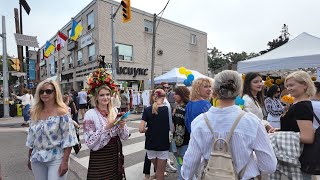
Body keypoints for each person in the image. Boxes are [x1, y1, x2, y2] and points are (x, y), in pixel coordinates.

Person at [181, 70, 277, 179]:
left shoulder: (199, 122)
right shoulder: (252, 121)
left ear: (214, 92)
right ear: (239, 91)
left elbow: (190, 164)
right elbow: (269, 166)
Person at [26, 80, 78, 180]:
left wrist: (65, 161)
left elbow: (69, 139)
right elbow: (31, 138)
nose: (44, 94)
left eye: (48, 91)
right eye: (41, 91)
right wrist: (29, 158)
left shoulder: (62, 112)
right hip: (37, 157)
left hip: (56, 158)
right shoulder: (34, 112)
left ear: (55, 93)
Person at [83, 68, 129, 179]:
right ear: (96, 97)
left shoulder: (114, 111)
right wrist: (107, 127)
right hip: (100, 156)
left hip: (115, 154)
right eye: (102, 95)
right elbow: (89, 142)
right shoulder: (90, 114)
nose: (105, 97)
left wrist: (122, 126)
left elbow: (124, 136)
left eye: (108, 94)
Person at [278, 71, 317, 179]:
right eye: (287, 86)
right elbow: (295, 128)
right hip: (293, 155)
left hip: (297, 157)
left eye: (292, 85)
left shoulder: (302, 106)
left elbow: (308, 137)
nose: (289, 88)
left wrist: (277, 136)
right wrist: (278, 131)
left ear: (304, 85)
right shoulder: (298, 104)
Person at [139, 89, 170, 180]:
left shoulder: (147, 110)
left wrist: (147, 129)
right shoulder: (167, 109)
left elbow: (141, 129)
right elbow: (172, 126)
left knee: (157, 169)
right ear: (164, 97)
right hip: (163, 144)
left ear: (153, 97)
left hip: (150, 143)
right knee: (160, 172)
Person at [172, 86, 190, 180]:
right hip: (189, 141)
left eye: (176, 94)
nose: (174, 96)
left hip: (181, 144)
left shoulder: (180, 110)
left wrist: (177, 145)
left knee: (181, 165)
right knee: (186, 166)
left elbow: (179, 129)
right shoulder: (189, 107)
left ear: (181, 95)